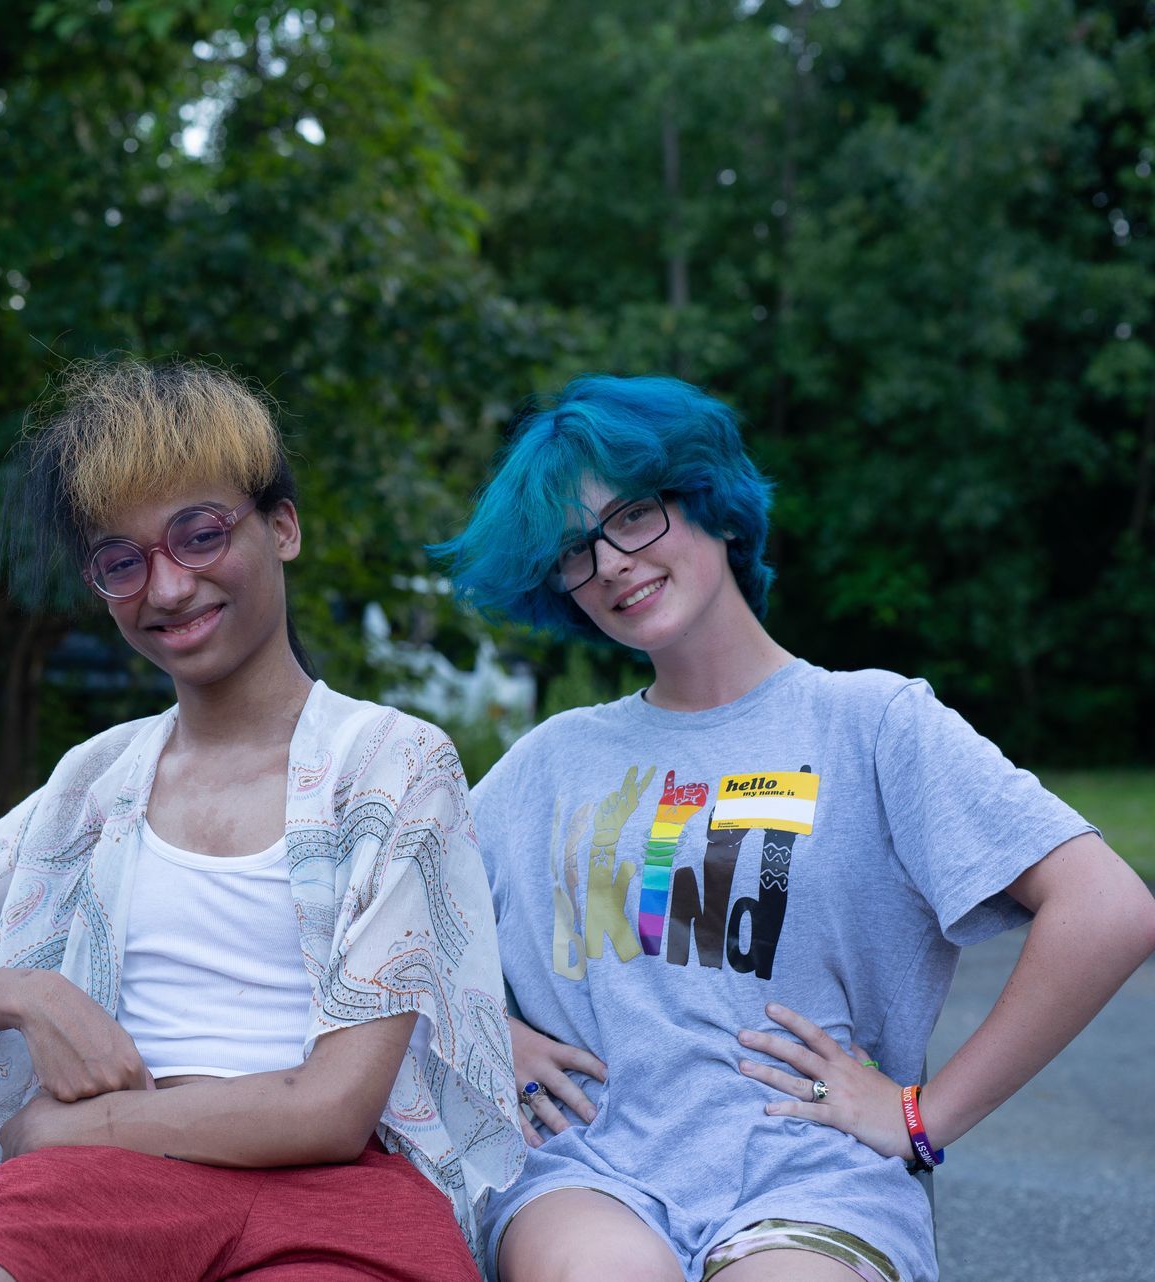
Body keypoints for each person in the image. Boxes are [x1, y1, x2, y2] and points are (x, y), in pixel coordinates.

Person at [432, 374, 1155, 1282]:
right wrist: (484, 1031)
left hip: (814, 1180)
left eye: (636, 515)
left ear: (719, 511)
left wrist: (920, 1115)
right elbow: (389, 930)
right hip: (591, 1174)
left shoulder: (872, 724)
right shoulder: (550, 761)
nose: (611, 561)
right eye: (576, 549)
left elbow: (1108, 909)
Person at [0, 358, 526, 1282]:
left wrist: (69, 1124)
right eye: (121, 561)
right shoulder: (97, 782)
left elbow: (328, 1113)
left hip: (337, 1193)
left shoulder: (390, 765)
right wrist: (34, 995)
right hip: (95, 1191)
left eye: (200, 535)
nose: (167, 589)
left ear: (282, 527)